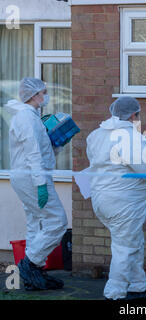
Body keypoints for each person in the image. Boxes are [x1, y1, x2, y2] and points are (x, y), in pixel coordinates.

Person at [86, 96, 146, 300]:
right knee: (124, 247)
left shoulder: (96, 135)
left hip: (102, 199)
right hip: (124, 201)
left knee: (133, 242)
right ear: (133, 115)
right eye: (138, 114)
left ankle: (138, 286)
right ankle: (114, 293)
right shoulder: (130, 138)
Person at [5, 78, 68, 290]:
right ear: (34, 95)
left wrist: (56, 144)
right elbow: (32, 153)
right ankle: (30, 264)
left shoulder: (32, 117)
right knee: (57, 221)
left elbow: (39, 149)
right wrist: (41, 183)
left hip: (31, 176)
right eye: (44, 92)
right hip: (32, 178)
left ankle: (34, 275)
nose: (46, 96)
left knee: (35, 223)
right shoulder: (26, 118)